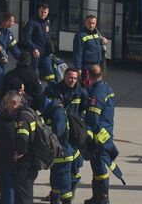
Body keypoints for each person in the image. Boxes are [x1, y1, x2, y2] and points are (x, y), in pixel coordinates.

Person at [0, 90, 41, 204]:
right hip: (29, 163)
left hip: (12, 162)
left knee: (11, 195)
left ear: (14, 103)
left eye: (5, 102)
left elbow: (22, 138)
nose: (4, 104)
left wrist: (19, 152)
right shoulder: (30, 113)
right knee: (24, 194)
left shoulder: (18, 118)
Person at [82, 65, 123, 204]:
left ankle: (103, 198)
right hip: (106, 131)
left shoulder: (96, 92)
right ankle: (97, 197)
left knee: (99, 165)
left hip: (98, 135)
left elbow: (93, 117)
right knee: (97, 165)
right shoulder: (107, 88)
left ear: (89, 75)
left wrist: (87, 132)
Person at [45, 67, 88, 191]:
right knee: (57, 165)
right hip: (59, 133)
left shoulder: (81, 92)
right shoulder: (53, 90)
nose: (72, 80)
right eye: (70, 77)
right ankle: (57, 191)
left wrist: (81, 123)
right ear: (64, 76)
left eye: (75, 78)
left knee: (76, 165)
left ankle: (71, 188)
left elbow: (85, 110)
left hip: (75, 134)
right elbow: (44, 107)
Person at [42, 98, 79, 204]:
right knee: (55, 182)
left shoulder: (58, 113)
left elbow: (57, 132)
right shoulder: (52, 111)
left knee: (64, 185)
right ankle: (54, 200)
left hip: (63, 153)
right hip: (57, 154)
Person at [19, 4, 55, 83]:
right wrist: (34, 49)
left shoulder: (46, 23)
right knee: (33, 73)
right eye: (42, 12)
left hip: (45, 53)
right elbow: (26, 38)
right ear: (38, 11)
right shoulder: (32, 22)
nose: (43, 14)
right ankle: (32, 92)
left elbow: (46, 38)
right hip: (35, 53)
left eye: (45, 12)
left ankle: (53, 91)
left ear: (48, 12)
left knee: (50, 74)